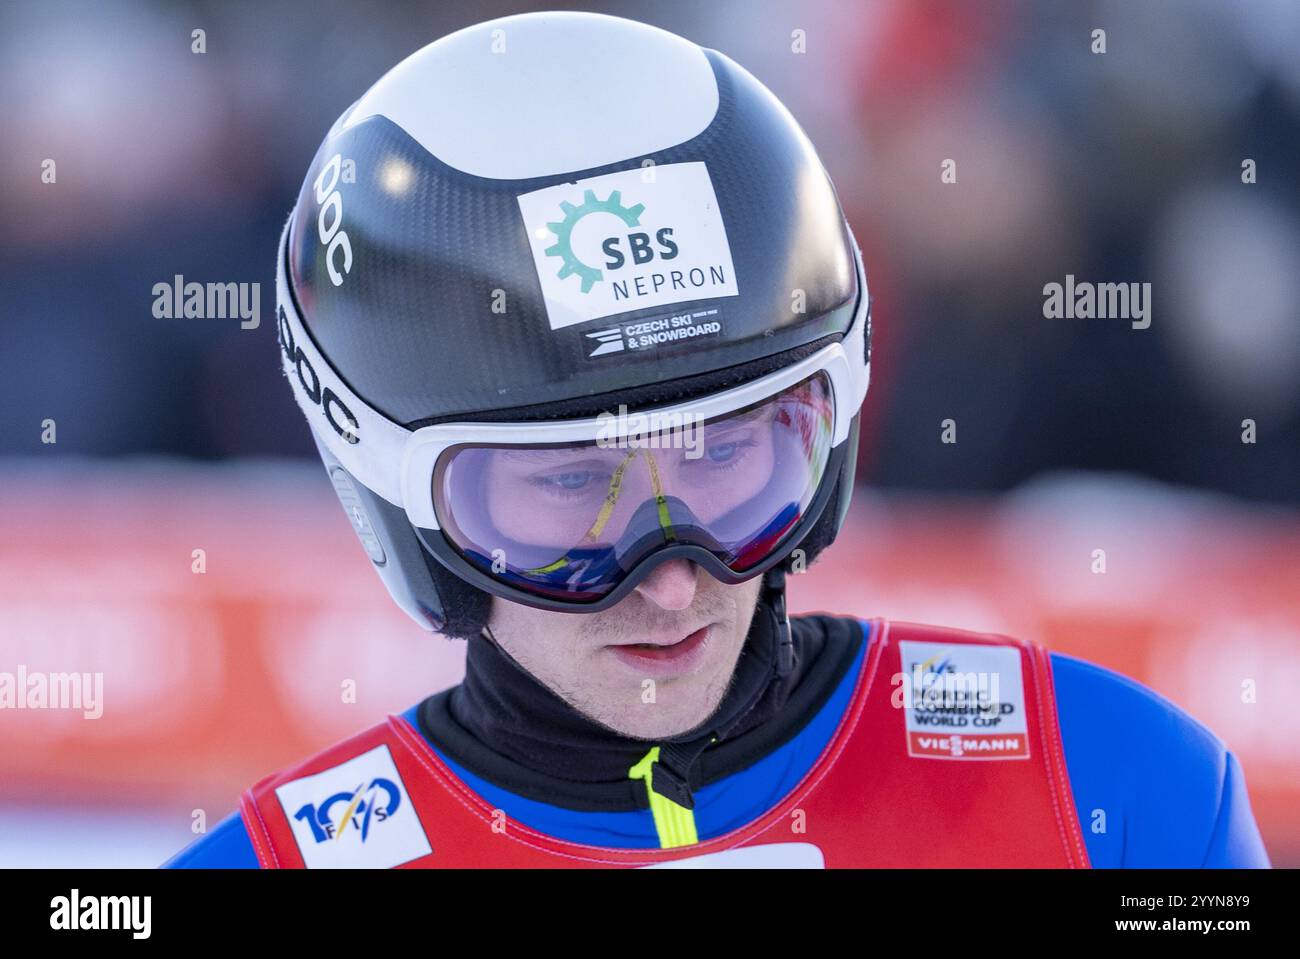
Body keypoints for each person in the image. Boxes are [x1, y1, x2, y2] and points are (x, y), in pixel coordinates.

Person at [166, 11, 1268, 868]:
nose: (673, 582)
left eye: (728, 457)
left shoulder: (1115, 790)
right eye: (563, 484)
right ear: (394, 496)